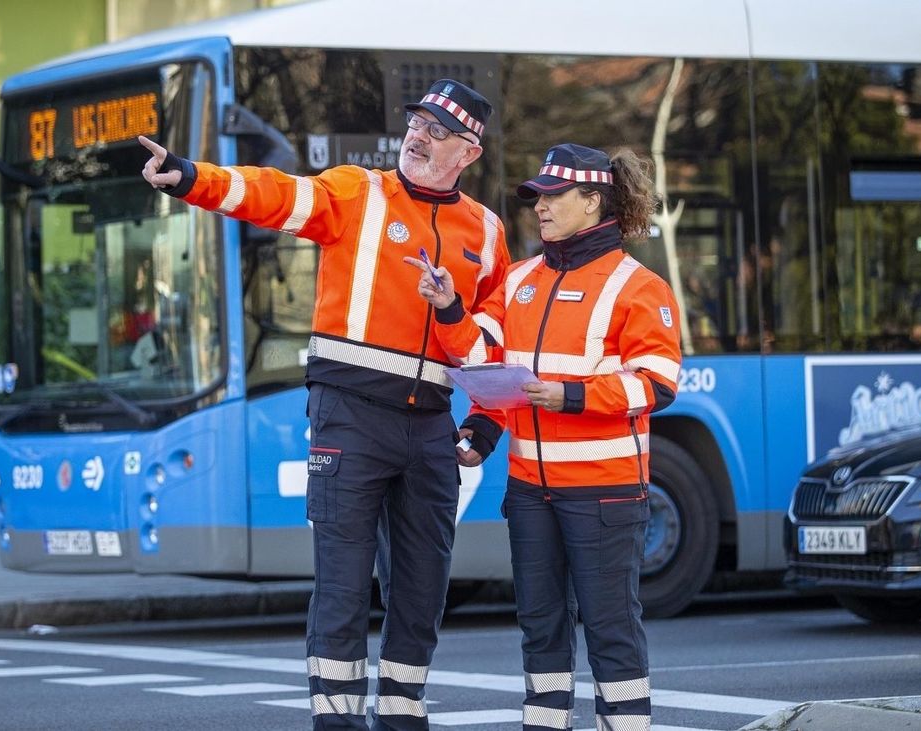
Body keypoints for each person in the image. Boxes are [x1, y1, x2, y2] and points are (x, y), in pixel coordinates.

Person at [139, 79, 510, 731]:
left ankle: (402, 718)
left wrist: (484, 423)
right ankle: (336, 723)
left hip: (431, 426)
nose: (418, 135)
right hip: (349, 413)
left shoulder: (485, 229)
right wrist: (190, 177)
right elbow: (274, 193)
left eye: (438, 130)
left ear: (469, 151)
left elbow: (496, 341)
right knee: (342, 586)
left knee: (422, 590)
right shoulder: (357, 191)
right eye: (417, 122)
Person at [410, 143, 682, 730]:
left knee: (610, 627)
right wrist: (452, 309)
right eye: (536, 197)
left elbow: (657, 385)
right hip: (530, 490)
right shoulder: (520, 279)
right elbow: (487, 363)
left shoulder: (639, 285)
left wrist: (570, 395)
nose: (540, 207)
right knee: (540, 627)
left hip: (605, 493)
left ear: (593, 201)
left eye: (554, 196)